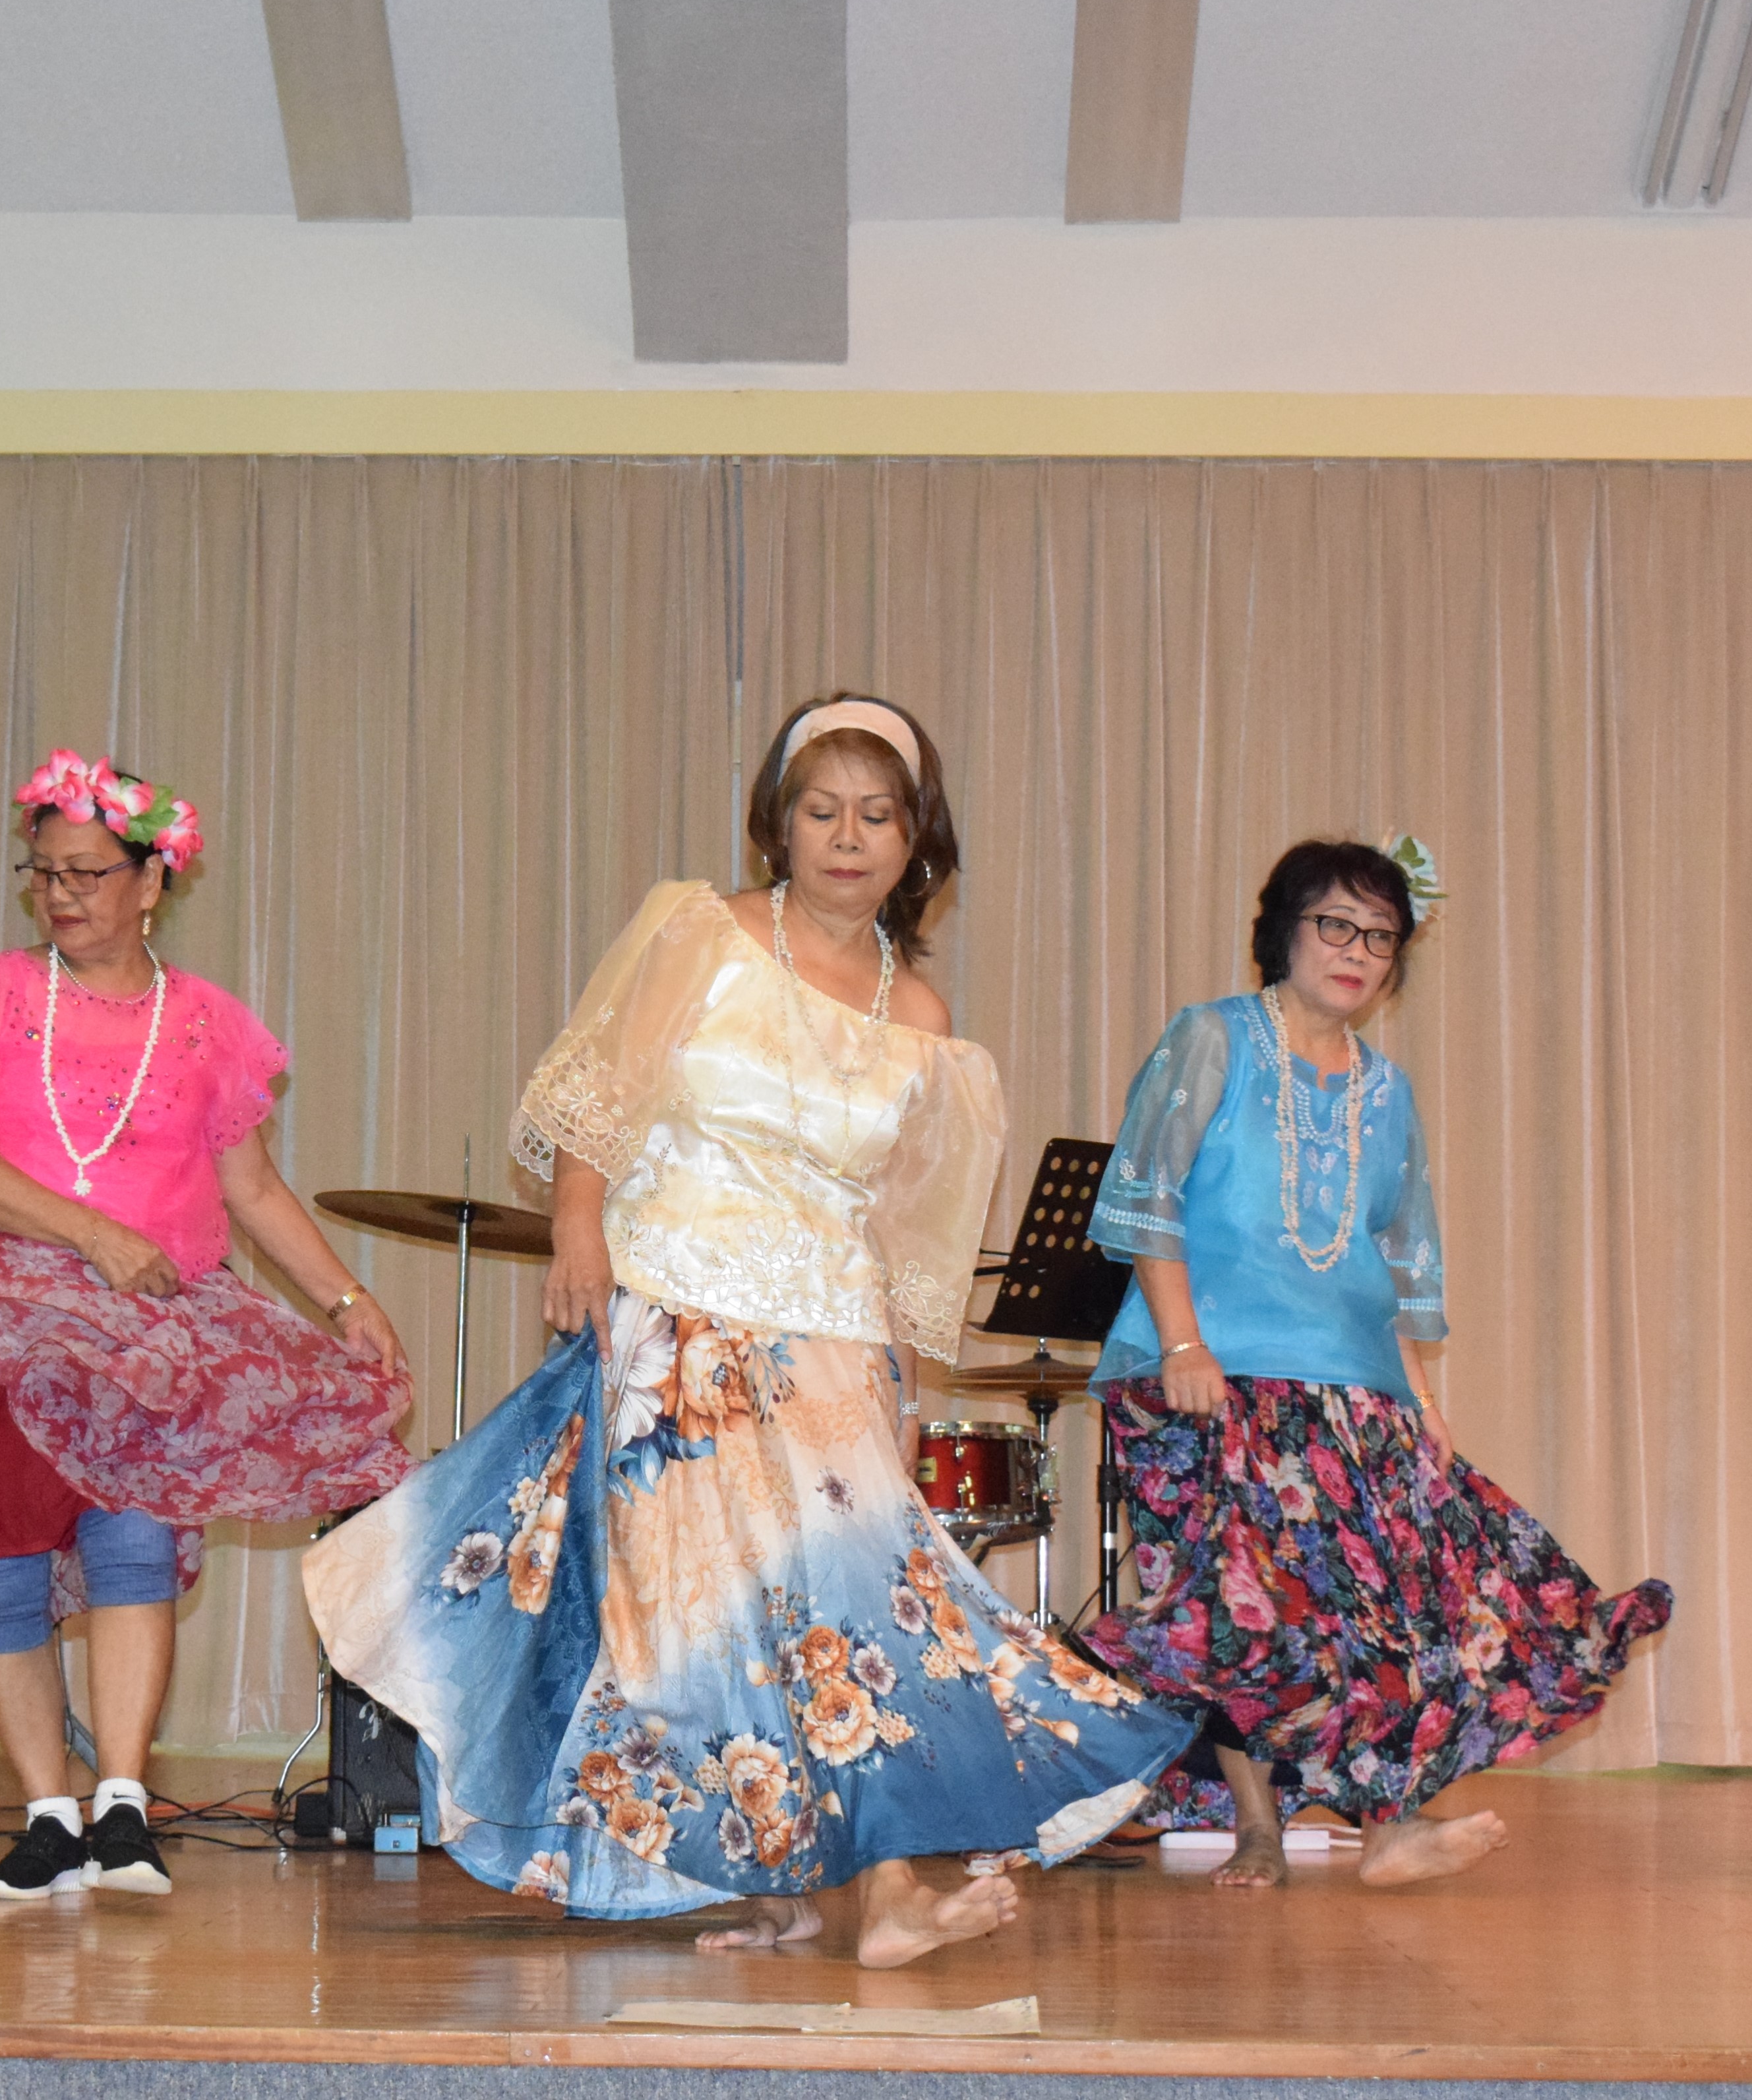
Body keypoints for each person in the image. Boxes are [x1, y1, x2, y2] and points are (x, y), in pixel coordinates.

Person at [303, 694, 1190, 1969]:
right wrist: (576, 1233)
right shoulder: (702, 930)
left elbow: (898, 1223)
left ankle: (851, 1890)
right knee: (705, 1618)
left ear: (912, 836)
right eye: (821, 810)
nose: (847, 836)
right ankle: (820, 1888)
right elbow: (594, 1094)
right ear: (780, 826)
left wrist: (895, 1366)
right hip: (679, 1308)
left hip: (827, 1330)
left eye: (875, 814)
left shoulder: (922, 1018)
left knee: (860, 1604)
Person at [0, 749, 417, 1905]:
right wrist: (88, 1236)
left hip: (146, 1323)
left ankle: (123, 1806)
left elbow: (250, 1192)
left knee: (132, 1545)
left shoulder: (202, 1023)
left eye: (89, 872)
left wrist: (346, 1299)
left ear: (152, 881)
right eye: (43, 873)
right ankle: (46, 1811)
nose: (62, 895)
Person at [1077, 839, 1670, 1890]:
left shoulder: (1386, 1091)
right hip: (1209, 1375)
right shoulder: (1211, 1039)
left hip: (1352, 1387)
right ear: (1285, 931)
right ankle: (1258, 1829)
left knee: (1389, 1609)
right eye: (1335, 926)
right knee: (1244, 1617)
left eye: (1380, 937)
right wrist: (1181, 1345)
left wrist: (1421, 1404)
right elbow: (1147, 1202)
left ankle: (1387, 1825)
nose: (1357, 952)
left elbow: (1394, 1263)